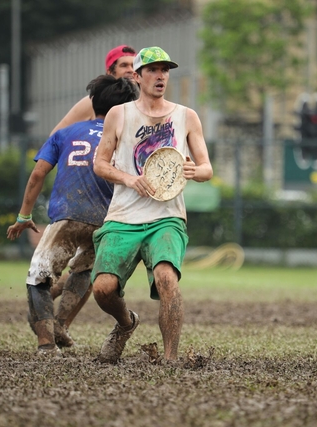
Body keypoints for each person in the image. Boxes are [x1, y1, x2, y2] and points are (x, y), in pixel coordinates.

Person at [91, 46, 213, 363]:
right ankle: (125, 323)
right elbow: (100, 164)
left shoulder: (186, 116)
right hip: (123, 217)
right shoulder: (120, 115)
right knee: (103, 289)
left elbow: (206, 168)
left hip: (167, 217)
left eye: (165, 70)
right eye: (153, 70)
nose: (160, 76)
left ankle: (170, 359)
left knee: (166, 279)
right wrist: (130, 179)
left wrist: (194, 171)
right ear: (138, 76)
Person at [6, 75, 139, 355]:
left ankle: (46, 345)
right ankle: (61, 324)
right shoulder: (126, 138)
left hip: (66, 216)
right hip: (106, 221)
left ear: (93, 102)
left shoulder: (65, 133)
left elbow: (38, 174)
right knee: (85, 271)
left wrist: (23, 216)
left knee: (38, 277)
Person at [49, 45, 137, 136]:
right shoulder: (94, 101)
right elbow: (55, 136)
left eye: (133, 66)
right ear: (110, 72)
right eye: (124, 65)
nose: (130, 70)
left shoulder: (143, 102)